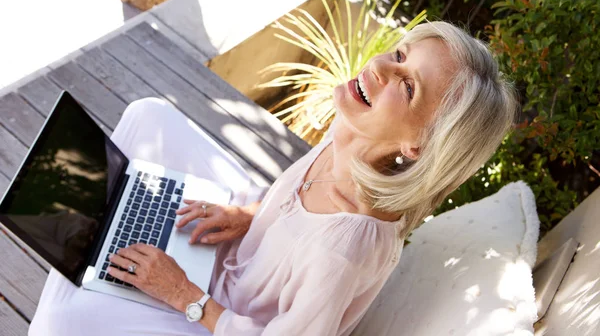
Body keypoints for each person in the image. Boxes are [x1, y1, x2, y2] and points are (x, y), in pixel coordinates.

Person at [29, 21, 517, 335]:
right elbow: (294, 208)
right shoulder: (354, 128)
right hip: (234, 260)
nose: (381, 67)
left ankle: (98, 256)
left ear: (419, 147)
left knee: (60, 320)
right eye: (400, 53)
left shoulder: (343, 248)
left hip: (225, 318)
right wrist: (244, 217)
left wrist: (181, 293)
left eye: (407, 86)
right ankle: (112, 240)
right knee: (149, 115)